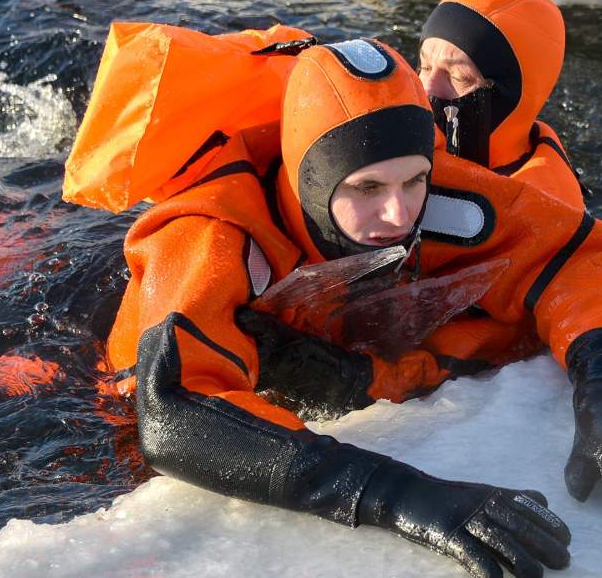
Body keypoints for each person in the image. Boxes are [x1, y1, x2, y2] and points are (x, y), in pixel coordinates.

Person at [99, 37, 573, 578]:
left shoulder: (409, 177)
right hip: (103, 399)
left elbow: (584, 251)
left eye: (416, 179)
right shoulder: (208, 238)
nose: (399, 213)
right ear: (315, 179)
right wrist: (405, 496)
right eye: (367, 187)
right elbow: (171, 419)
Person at [418, 0, 588, 208]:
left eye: (458, 77)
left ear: (511, 96)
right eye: (425, 67)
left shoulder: (540, 215)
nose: (425, 90)